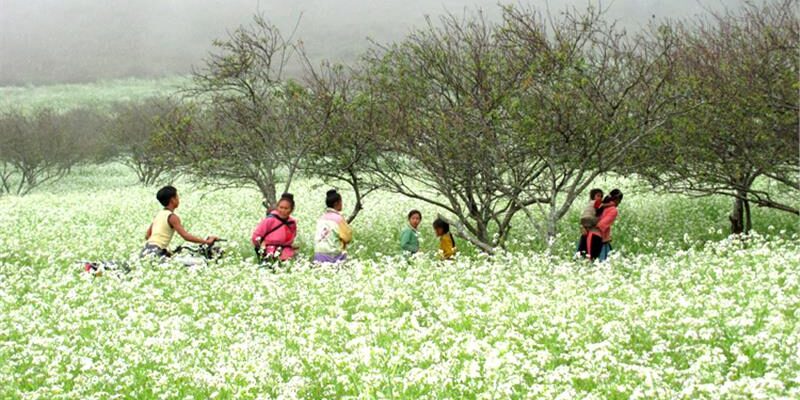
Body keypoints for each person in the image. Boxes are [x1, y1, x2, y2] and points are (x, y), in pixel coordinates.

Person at [143, 185, 218, 258]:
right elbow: (186, 236)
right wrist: (207, 242)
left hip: (145, 251)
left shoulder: (159, 214)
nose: (178, 199)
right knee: (198, 263)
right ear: (172, 200)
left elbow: (148, 235)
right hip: (157, 253)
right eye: (177, 196)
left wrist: (165, 248)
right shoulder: (172, 217)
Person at [252, 193, 298, 262]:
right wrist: (261, 248)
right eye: (281, 207)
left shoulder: (292, 223)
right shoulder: (270, 220)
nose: (283, 211)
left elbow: (292, 238)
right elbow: (256, 237)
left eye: (286, 208)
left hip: (287, 253)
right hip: (269, 253)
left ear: (291, 209)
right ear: (277, 207)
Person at [313, 190, 353, 264]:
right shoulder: (338, 219)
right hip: (332, 255)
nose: (342, 204)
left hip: (318, 255)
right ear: (336, 203)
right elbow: (347, 238)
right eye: (341, 202)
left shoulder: (321, 218)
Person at [596, 189, 623, 261]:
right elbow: (601, 225)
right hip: (600, 241)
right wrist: (605, 238)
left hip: (589, 237)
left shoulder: (601, 206)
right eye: (619, 201)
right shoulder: (613, 210)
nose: (619, 204)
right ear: (617, 199)